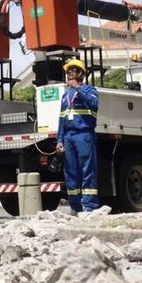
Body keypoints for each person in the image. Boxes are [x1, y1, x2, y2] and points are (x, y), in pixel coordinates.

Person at [55, 58, 99, 213]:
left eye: (73, 70)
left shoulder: (90, 90)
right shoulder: (65, 96)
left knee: (88, 171)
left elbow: (94, 105)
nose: (69, 73)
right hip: (68, 137)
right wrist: (59, 140)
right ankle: (76, 207)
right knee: (71, 173)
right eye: (68, 71)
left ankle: (89, 207)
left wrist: (78, 88)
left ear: (81, 73)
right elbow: (62, 119)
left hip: (84, 135)